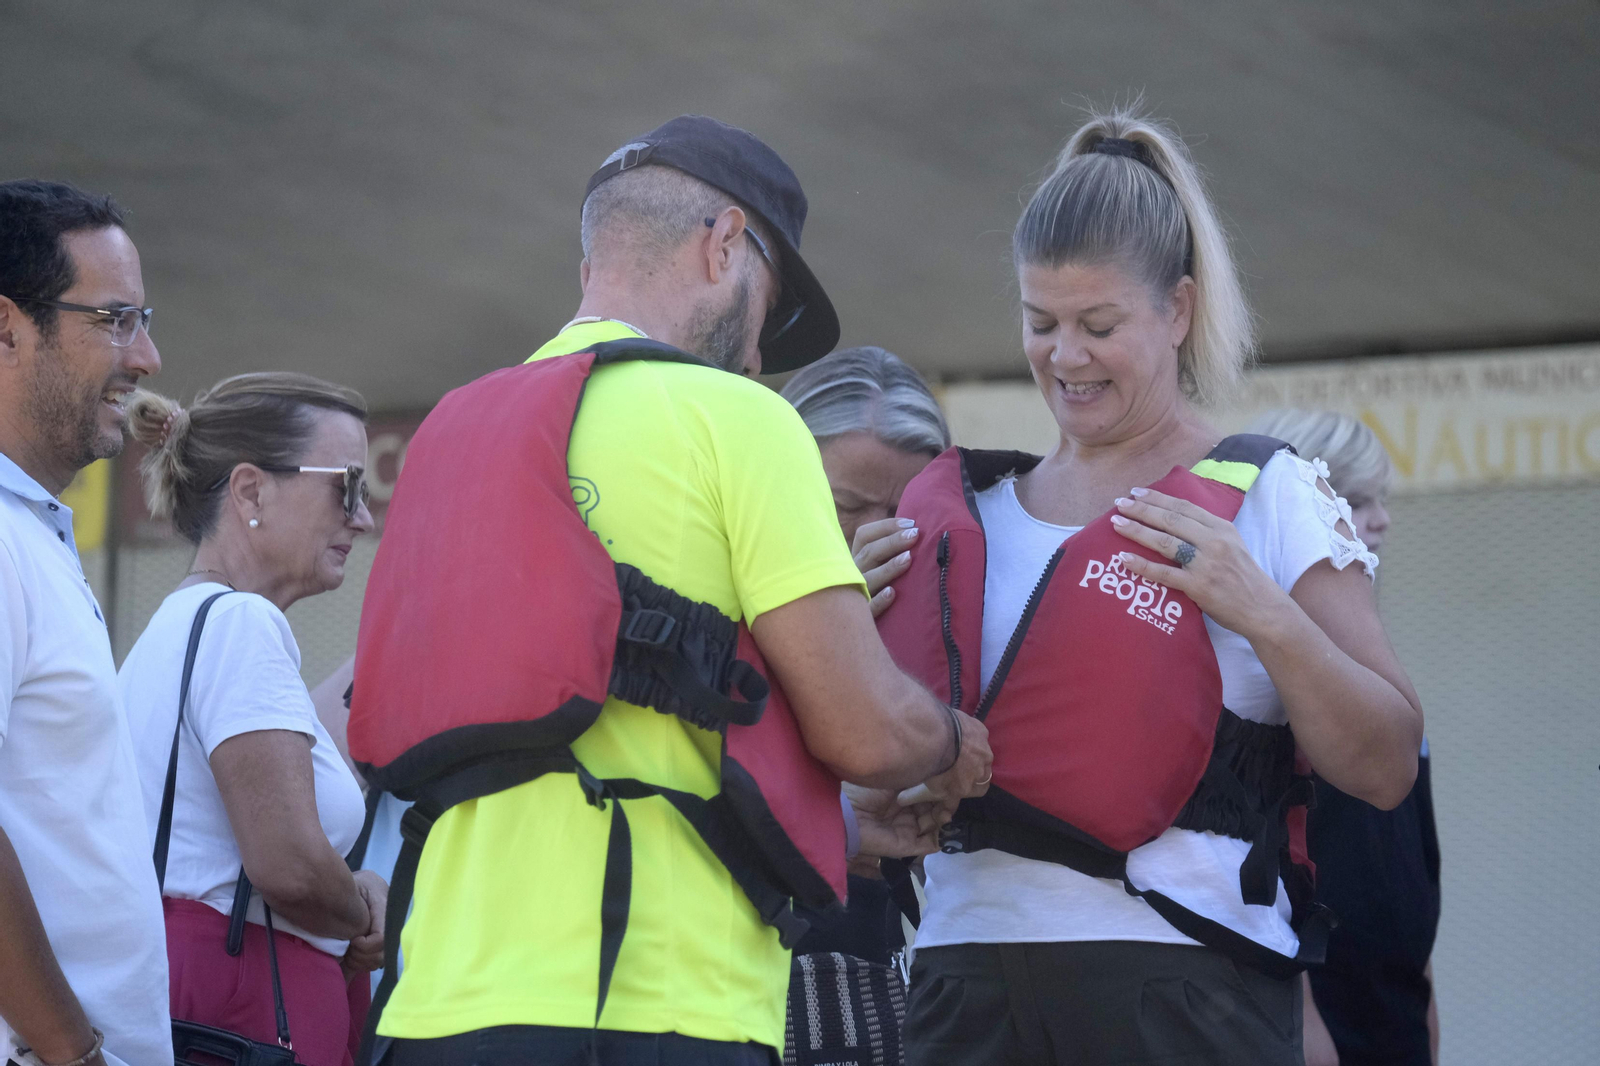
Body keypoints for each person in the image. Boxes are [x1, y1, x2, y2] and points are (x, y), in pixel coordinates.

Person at [361, 115, 991, 1066]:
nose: (755, 360)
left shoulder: (452, 433)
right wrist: (951, 742)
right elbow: (862, 726)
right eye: (768, 313)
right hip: (651, 1000)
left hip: (434, 1003)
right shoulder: (739, 419)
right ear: (725, 243)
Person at [875, 106, 1424, 1066]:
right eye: (1039, 323)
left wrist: (1263, 610)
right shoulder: (968, 513)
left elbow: (1384, 764)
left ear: (1176, 310)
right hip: (964, 969)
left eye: (1099, 325)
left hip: (1184, 977)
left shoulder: (1270, 494)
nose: (1065, 357)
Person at [118, 373, 388, 1066]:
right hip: (250, 1010)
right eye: (347, 487)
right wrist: (363, 909)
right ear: (250, 491)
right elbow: (290, 866)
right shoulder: (243, 625)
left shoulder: (185, 626)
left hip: (191, 995)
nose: (363, 517)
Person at [0, 179, 170, 1066]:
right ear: (5, 327)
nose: (145, 356)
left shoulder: (32, 532)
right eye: (114, 319)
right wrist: (69, 1048)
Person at [1249, 410, 1440, 1066]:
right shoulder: (1251, 688)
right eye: (1357, 501)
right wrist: (1304, 1021)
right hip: (1305, 1028)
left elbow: (1409, 890)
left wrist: (1423, 1016)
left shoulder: (1386, 688)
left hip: (1391, 1025)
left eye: (1382, 499)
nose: (1382, 519)